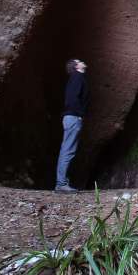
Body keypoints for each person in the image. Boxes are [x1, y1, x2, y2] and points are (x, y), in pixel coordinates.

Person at [55, 58, 87, 193]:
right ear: (76, 66)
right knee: (67, 150)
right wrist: (78, 114)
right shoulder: (77, 77)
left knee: (68, 149)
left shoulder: (77, 77)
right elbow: (72, 97)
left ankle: (62, 183)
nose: (82, 62)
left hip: (72, 116)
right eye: (79, 61)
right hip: (73, 117)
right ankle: (61, 184)